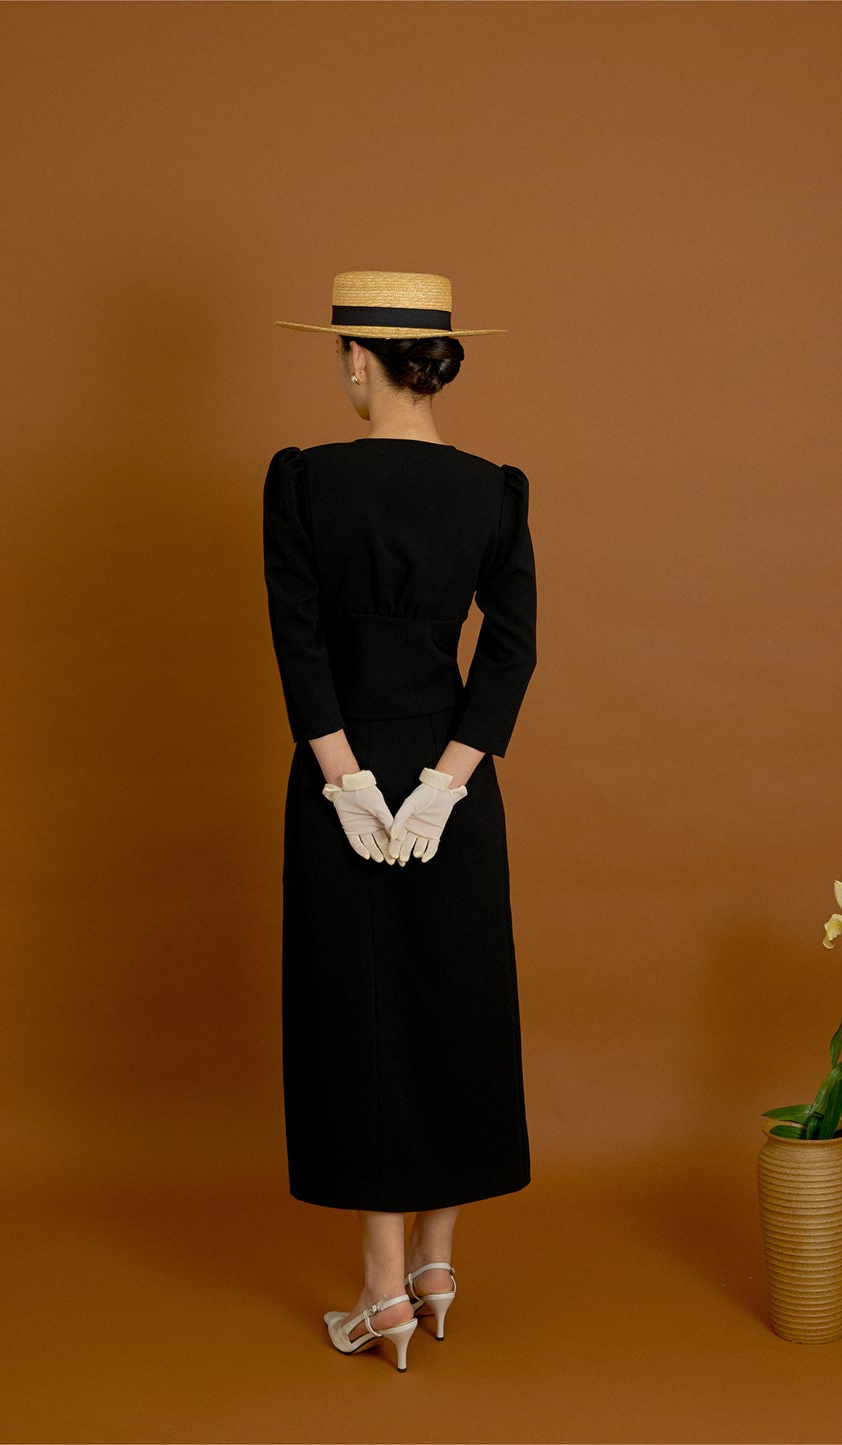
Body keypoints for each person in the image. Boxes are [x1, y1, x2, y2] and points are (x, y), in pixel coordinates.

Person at [264, 271, 538, 1372]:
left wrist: (345, 782)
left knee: (360, 1012)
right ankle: (435, 1265)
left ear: (354, 359)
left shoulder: (303, 481)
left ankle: (381, 1288)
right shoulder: (494, 492)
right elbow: (510, 649)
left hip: (342, 775)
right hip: (449, 784)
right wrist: (447, 782)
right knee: (450, 1001)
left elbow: (296, 640)